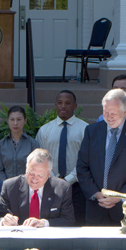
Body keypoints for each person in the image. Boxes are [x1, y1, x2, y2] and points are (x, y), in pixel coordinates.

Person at [76, 88, 126, 226]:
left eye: (113, 113)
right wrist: (96, 194)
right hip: (96, 209)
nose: (108, 116)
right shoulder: (92, 131)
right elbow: (82, 167)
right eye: (105, 112)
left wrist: (120, 197)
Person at [36, 90, 88, 225]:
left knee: (78, 223)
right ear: (55, 105)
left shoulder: (85, 129)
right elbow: (41, 158)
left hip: (77, 185)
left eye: (67, 103)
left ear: (75, 106)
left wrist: (68, 179)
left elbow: (86, 159)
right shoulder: (44, 130)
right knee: (53, 223)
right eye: (60, 103)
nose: (63, 106)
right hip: (51, 185)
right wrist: (53, 177)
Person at [0, 148, 75, 227]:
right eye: (31, 173)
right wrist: (3, 221)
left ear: (49, 172)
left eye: (40, 175)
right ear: (26, 168)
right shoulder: (10, 186)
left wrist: (44, 223)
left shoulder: (62, 188)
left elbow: (69, 220)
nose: (35, 179)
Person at [0, 105, 39, 194]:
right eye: (12, 119)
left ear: (25, 121)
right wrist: (6, 184)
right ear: (8, 121)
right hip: (6, 188)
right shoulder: (1, 144)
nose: (15, 123)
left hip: (28, 188)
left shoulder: (32, 144)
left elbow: (37, 168)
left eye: (19, 119)